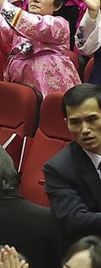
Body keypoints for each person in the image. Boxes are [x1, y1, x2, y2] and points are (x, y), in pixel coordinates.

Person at [43, 84, 101, 241]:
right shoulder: (58, 169)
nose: (85, 130)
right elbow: (74, 221)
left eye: (92, 119)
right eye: (75, 122)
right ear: (66, 123)